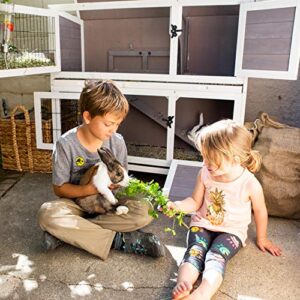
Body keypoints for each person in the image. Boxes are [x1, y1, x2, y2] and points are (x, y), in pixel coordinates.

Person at [37, 80, 165, 260]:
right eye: (108, 124)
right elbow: (59, 189)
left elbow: (122, 182)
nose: (113, 130)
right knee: (47, 214)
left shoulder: (117, 142)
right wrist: (90, 189)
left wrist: (117, 189)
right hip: (77, 204)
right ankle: (119, 240)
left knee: (145, 210)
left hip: (108, 204)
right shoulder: (66, 144)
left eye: (117, 124)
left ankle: (71, 233)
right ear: (88, 117)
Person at [166, 119, 282, 300]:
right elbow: (195, 202)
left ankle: (202, 294)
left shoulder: (249, 183)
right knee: (195, 251)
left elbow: (260, 211)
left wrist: (262, 238)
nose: (205, 163)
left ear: (235, 159)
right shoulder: (205, 172)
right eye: (204, 157)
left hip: (231, 232)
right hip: (202, 224)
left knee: (215, 257)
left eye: (212, 159)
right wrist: (178, 206)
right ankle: (183, 284)